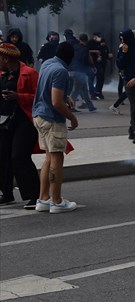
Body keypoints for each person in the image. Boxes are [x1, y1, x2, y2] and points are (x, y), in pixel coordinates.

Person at [31, 41, 78, 213]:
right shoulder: (61, 71)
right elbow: (56, 102)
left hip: (39, 116)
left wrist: (67, 96)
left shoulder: (48, 64)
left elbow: (50, 89)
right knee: (57, 158)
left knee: (49, 157)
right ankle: (57, 201)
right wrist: (72, 118)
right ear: (70, 58)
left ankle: (43, 199)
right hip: (52, 119)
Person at [0, 43, 41, 208]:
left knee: (19, 156)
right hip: (4, 121)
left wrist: (18, 96)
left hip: (24, 121)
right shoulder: (2, 75)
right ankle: (7, 193)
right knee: (3, 158)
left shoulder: (29, 73)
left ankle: (34, 195)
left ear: (5, 58)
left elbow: (39, 96)